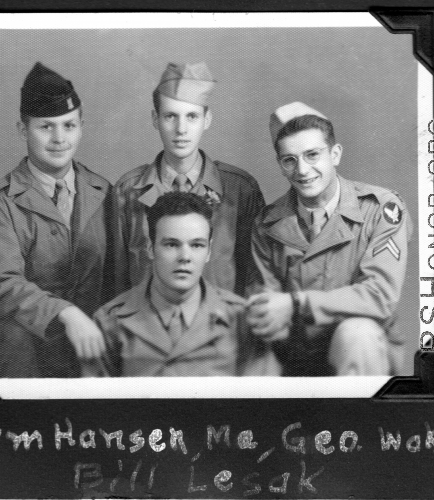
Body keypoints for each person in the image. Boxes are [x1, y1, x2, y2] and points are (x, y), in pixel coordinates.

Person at [0, 62, 114, 378]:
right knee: (11, 339)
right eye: (46, 127)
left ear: (81, 126)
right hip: (19, 341)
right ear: (23, 130)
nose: (60, 138)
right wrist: (66, 313)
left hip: (89, 338)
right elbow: (1, 285)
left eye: (69, 126)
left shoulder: (105, 193)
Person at [247, 102, 413, 376]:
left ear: (335, 154)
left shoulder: (381, 208)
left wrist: (296, 304)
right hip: (294, 355)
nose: (302, 170)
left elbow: (379, 295)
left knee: (356, 333)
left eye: (312, 155)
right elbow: (266, 304)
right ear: (280, 165)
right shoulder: (267, 224)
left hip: (362, 352)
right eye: (290, 159)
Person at [114, 62, 265, 297]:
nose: (181, 129)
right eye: (170, 116)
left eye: (192, 116)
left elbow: (255, 278)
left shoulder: (240, 189)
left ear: (207, 119)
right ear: (155, 119)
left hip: (220, 326)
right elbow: (116, 280)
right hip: (147, 326)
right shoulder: (128, 190)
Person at [92, 192, 275, 377]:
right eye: (171, 244)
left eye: (197, 245)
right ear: (150, 248)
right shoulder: (109, 322)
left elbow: (260, 401)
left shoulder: (243, 320)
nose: (185, 257)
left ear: (209, 251)